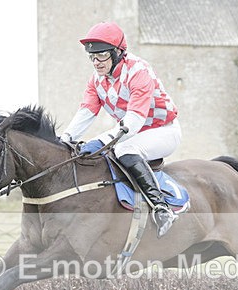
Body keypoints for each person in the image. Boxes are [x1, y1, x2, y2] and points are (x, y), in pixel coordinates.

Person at [59, 22, 181, 239]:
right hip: (132, 132)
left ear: (118, 53)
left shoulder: (138, 71)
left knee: (124, 149)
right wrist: (65, 140)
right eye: (92, 57)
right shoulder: (96, 80)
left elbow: (134, 120)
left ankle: (162, 209)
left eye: (101, 56)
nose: (96, 62)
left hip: (162, 130)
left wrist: (100, 140)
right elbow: (86, 112)